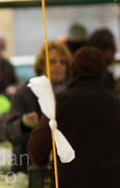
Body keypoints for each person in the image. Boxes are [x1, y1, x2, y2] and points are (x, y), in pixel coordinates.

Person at [28, 47, 120, 188]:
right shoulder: (116, 102)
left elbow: (38, 148)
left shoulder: (59, 102)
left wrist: (42, 161)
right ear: (102, 71)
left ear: (73, 69)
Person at [5, 41, 71, 173]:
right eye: (52, 61)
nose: (58, 66)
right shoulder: (26, 90)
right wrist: (24, 124)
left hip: (66, 167)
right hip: (30, 169)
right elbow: (10, 133)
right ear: (41, 64)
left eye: (62, 62)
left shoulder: (72, 90)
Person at [86, 28, 117, 92]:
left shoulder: (88, 70)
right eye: (112, 47)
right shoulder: (101, 74)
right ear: (101, 48)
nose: (115, 51)